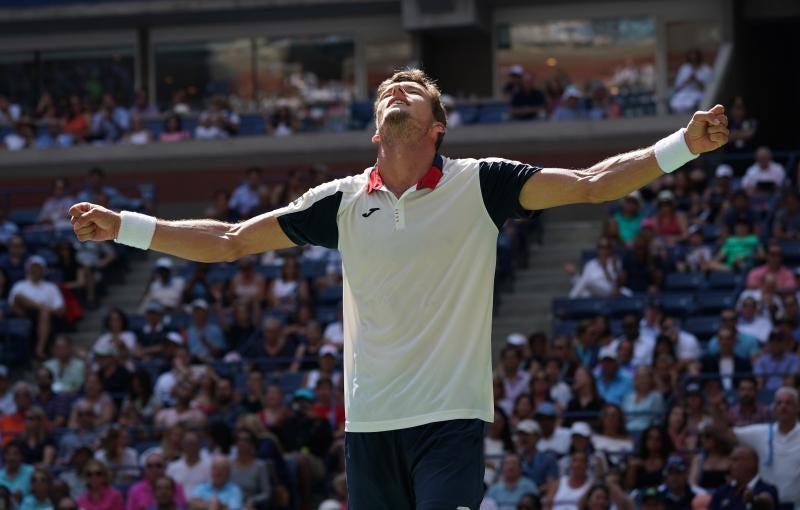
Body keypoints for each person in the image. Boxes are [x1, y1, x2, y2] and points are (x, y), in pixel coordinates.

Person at [69, 68, 729, 509]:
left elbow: (594, 183)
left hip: (448, 420)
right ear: (374, 126)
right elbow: (230, 241)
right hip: (371, 426)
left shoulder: (483, 182)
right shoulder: (344, 202)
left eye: (411, 89)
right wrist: (123, 226)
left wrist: (682, 146)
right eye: (388, 88)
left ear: (437, 125)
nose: (396, 90)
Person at [717, 387, 800, 509]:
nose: (783, 407)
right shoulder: (762, 432)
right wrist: (715, 408)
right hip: (764, 505)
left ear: (797, 408)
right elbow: (726, 434)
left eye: (788, 403)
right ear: (774, 408)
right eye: (779, 403)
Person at [8, 255, 65, 360]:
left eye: (38, 268)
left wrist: (44, 309)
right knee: (19, 296)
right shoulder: (19, 285)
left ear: (43, 270)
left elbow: (60, 310)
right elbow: (13, 304)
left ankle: (39, 349)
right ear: (28, 269)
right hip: (24, 314)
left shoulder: (51, 287)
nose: (35, 271)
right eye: (33, 268)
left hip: (47, 317)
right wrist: (40, 306)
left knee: (44, 313)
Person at [708, 446, 778, 510]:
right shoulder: (723, 490)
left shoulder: (767, 490)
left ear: (752, 463)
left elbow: (766, 501)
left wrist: (754, 500)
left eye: (735, 460)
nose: (730, 465)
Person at [515, 420, 559, 489]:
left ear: (537, 437)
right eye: (520, 435)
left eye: (527, 435)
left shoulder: (548, 459)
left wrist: (534, 492)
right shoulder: (512, 460)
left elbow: (552, 483)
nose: (523, 438)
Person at [669, 49, 712, 113]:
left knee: (689, 104)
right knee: (675, 103)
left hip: (699, 92)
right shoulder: (684, 68)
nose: (694, 61)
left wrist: (697, 81)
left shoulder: (706, 69)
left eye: (695, 59)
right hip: (685, 92)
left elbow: (709, 88)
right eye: (692, 59)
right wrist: (687, 80)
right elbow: (677, 86)